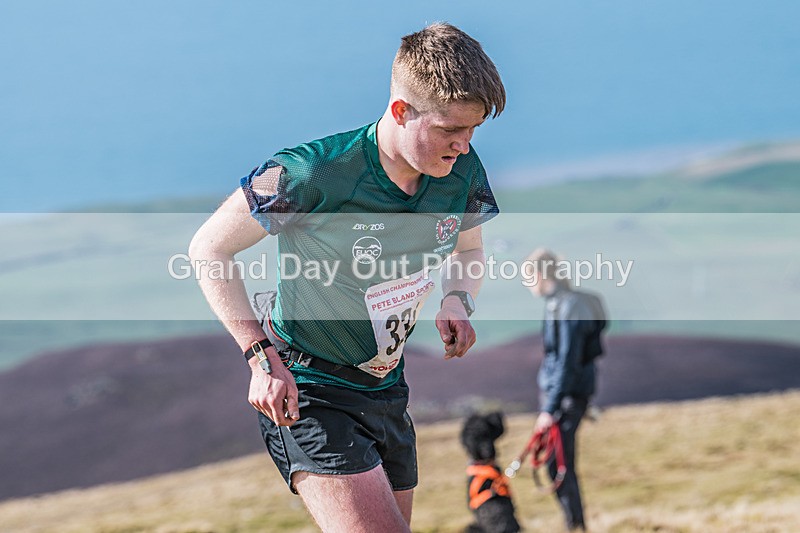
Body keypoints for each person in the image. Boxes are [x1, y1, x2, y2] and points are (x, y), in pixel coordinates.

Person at [188, 23, 505, 532]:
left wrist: (456, 301)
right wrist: (259, 357)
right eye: (450, 129)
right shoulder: (313, 172)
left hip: (388, 391)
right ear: (401, 111)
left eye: (473, 130)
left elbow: (469, 249)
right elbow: (209, 249)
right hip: (309, 389)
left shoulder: (460, 171)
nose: (464, 146)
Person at [523, 248, 607, 531]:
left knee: (558, 464)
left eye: (528, 277)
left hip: (566, 398)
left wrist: (549, 408)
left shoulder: (568, 307)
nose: (528, 285)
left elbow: (567, 362)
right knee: (558, 463)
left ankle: (576, 525)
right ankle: (575, 524)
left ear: (539, 275)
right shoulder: (558, 304)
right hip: (564, 396)